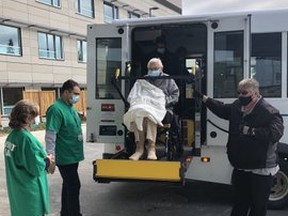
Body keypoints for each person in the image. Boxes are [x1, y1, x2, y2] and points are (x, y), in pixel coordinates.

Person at [196, 78, 284, 216]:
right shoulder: (237, 106)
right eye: (239, 93)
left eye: (244, 93)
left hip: (260, 169)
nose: (241, 96)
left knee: (258, 207)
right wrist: (205, 99)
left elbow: (276, 133)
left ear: (255, 93)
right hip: (241, 166)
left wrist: (252, 131)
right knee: (239, 205)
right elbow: (223, 109)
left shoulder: (268, 112)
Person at [4, 99, 54, 216]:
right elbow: (36, 167)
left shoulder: (11, 137)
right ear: (27, 118)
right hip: (30, 193)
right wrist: (47, 160)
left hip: (17, 190)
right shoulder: (26, 139)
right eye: (34, 116)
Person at [124, 58, 179, 160]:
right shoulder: (142, 80)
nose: (153, 70)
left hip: (163, 109)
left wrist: (162, 101)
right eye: (151, 68)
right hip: (143, 107)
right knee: (138, 114)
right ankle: (139, 149)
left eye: (155, 68)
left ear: (161, 68)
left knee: (149, 115)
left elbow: (175, 95)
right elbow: (133, 95)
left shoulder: (168, 79)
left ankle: (151, 148)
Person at [45, 79, 84, 216]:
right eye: (75, 93)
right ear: (66, 92)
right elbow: (51, 135)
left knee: (67, 185)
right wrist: (50, 157)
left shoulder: (70, 108)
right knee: (74, 185)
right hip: (64, 156)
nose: (77, 97)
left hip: (73, 155)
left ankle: (65, 213)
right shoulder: (56, 109)